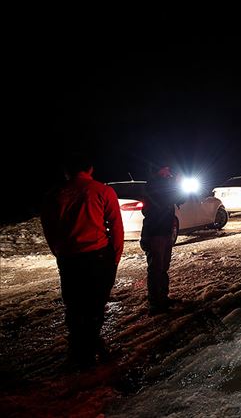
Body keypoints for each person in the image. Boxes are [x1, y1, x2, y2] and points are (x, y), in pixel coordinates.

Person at [40, 152, 124, 368]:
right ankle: (86, 357)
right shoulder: (102, 191)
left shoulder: (55, 195)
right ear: (90, 169)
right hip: (97, 256)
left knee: (75, 306)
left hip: (69, 258)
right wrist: (115, 256)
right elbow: (115, 226)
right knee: (94, 306)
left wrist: (58, 250)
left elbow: (48, 227)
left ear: (67, 171)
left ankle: (81, 349)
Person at [141, 164, 183, 315]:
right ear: (159, 169)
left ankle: (163, 298)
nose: (169, 172)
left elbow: (181, 199)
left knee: (163, 267)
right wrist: (176, 184)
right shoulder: (153, 184)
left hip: (165, 231)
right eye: (166, 169)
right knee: (155, 269)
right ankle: (155, 304)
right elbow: (166, 200)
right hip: (154, 233)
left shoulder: (165, 184)